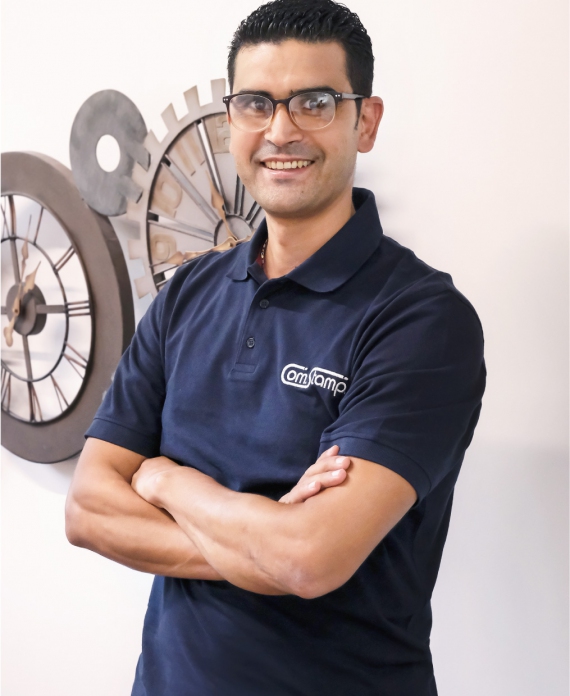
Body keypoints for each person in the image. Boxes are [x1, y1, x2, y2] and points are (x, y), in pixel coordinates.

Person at [65, 1, 486, 694]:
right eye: (256, 103)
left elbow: (310, 558)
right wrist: (265, 544)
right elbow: (87, 508)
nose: (280, 130)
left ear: (366, 121)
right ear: (232, 120)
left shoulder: (422, 320)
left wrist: (169, 482)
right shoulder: (186, 295)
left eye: (314, 102)